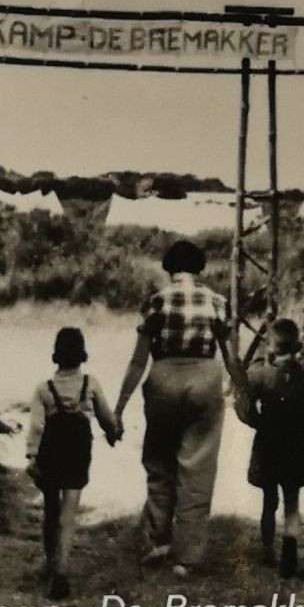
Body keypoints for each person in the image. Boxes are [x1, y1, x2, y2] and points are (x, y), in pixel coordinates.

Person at [114, 240, 231, 577]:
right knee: (198, 467)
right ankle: (188, 557)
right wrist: (244, 393)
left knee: (160, 459)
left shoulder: (156, 302)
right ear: (201, 267)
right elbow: (231, 355)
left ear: (168, 268)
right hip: (205, 379)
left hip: (163, 378)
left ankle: (157, 541)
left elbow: (138, 360)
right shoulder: (218, 302)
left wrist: (120, 407)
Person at [26, 327, 121, 600]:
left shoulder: (44, 389)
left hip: (50, 453)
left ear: (56, 355)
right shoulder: (90, 384)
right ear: (82, 354)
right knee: (69, 513)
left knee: (51, 510)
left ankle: (49, 562)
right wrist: (114, 433)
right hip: (78, 452)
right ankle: (63, 570)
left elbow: (36, 427)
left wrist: (32, 457)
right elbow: (106, 419)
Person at [245, 318, 304, 578]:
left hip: (268, 443)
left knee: (268, 500)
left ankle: (268, 549)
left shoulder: (260, 376)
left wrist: (258, 424)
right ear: (297, 345)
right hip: (296, 445)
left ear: (271, 346)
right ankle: (290, 548)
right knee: (292, 500)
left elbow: (244, 408)